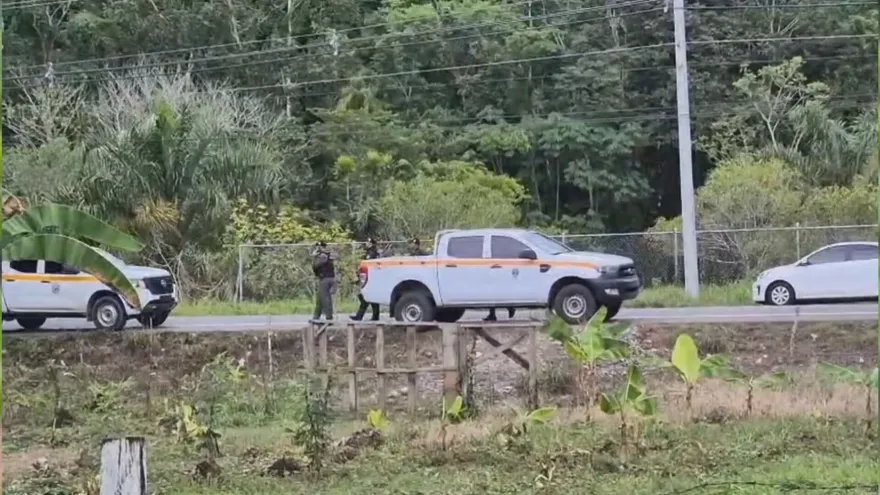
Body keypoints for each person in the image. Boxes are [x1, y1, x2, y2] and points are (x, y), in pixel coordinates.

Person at [351, 237, 381, 321]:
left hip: (370, 277)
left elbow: (368, 266)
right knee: (368, 297)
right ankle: (372, 316)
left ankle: (362, 316)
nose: (367, 244)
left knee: (367, 296)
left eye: (368, 243)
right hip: (368, 277)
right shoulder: (369, 252)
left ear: (372, 244)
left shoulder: (372, 253)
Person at [311, 241, 336, 321]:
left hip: (326, 278)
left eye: (319, 247)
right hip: (325, 278)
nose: (317, 249)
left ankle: (329, 317)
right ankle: (316, 316)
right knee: (320, 298)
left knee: (325, 298)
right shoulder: (326, 255)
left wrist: (314, 257)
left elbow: (315, 266)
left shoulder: (323, 256)